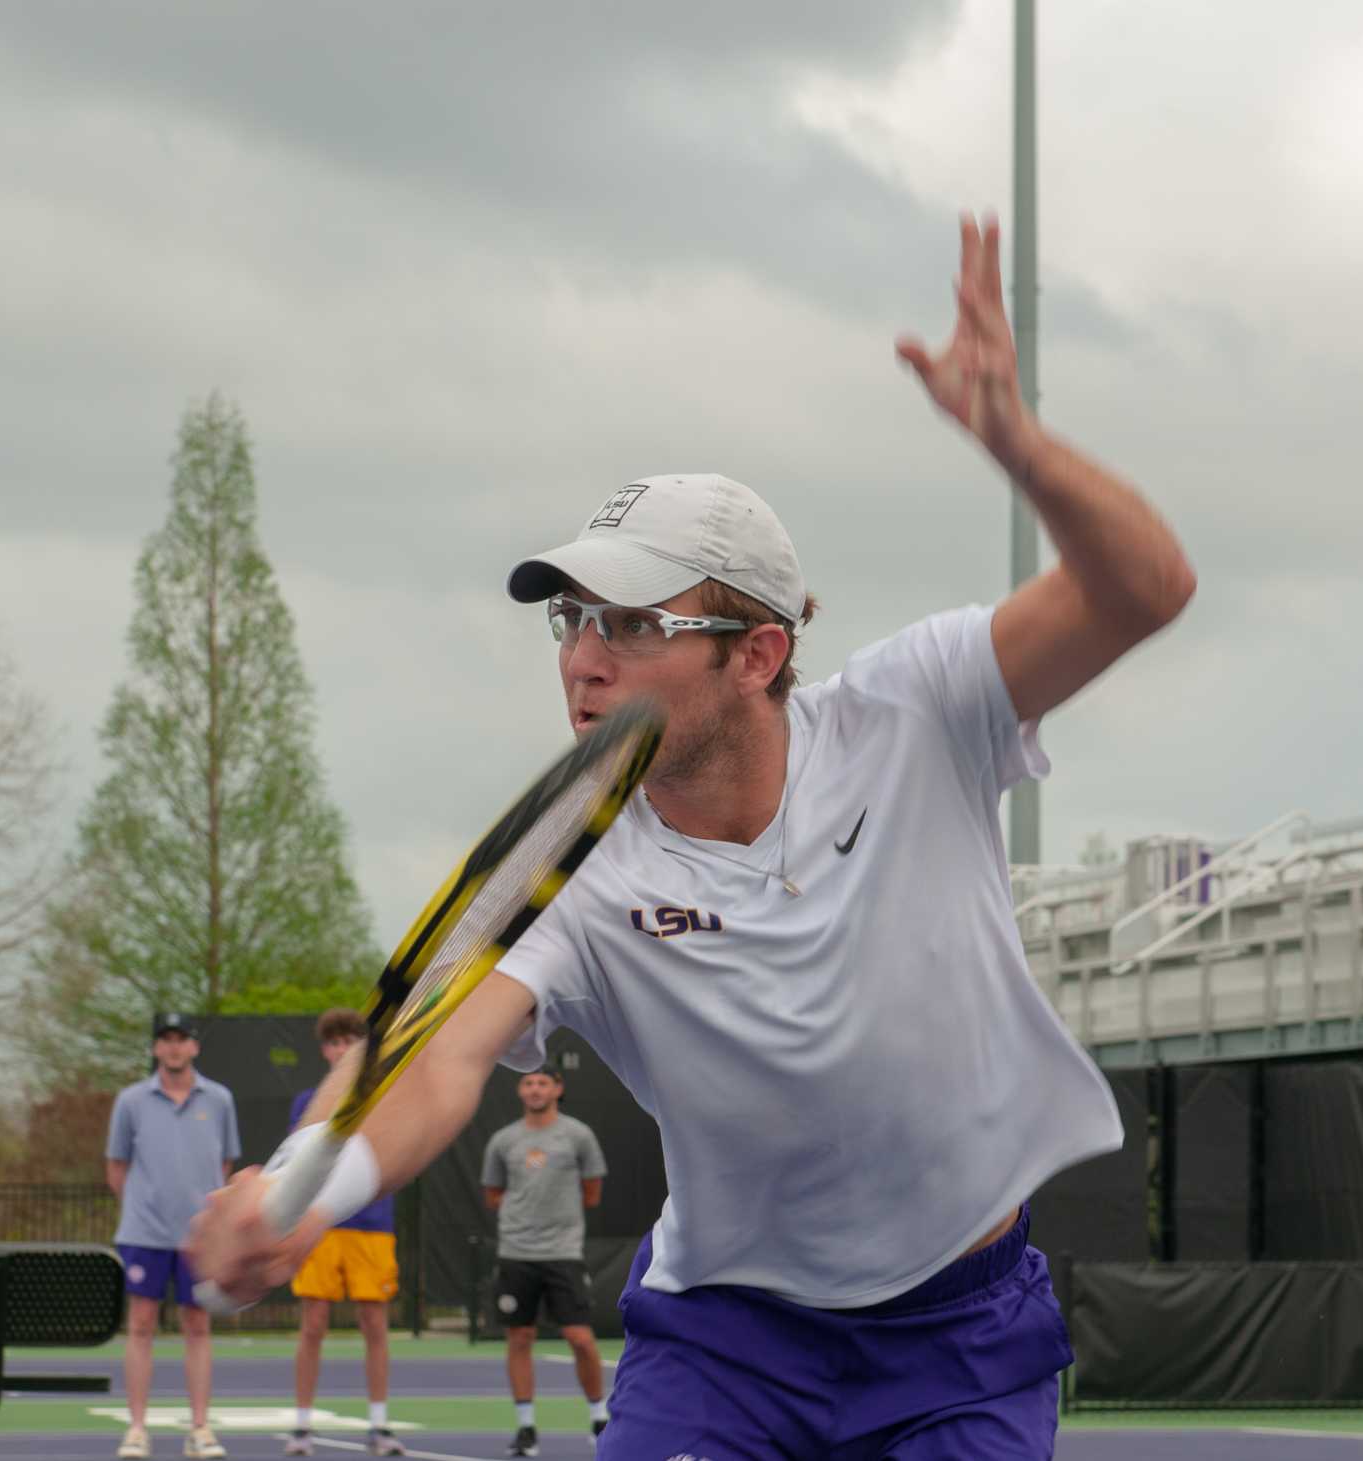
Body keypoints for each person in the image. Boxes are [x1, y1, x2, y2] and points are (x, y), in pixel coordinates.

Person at [192, 214, 1196, 1459]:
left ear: (756, 655)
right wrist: (304, 1185)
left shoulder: (918, 713)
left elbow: (1145, 587)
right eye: (567, 621)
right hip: (727, 1348)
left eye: (627, 622)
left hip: (962, 1338)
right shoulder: (565, 866)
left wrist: (1017, 442)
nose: (582, 659)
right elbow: (433, 1058)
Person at [107, 1012, 241, 1460]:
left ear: (195, 1047)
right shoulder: (131, 1101)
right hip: (144, 1233)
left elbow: (225, 1166)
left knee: (197, 1327)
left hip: (199, 1237)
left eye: (182, 1039)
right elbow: (117, 1166)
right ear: (154, 1049)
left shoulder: (219, 1099)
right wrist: (144, 1208)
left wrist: (203, 1213)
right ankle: (137, 1428)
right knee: (141, 1325)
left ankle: (200, 1428)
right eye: (165, 1040)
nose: (174, 1048)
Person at [286, 1009, 405, 1457]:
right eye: (333, 1042)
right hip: (319, 1229)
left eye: (348, 1041)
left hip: (372, 1227)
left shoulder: (386, 1095)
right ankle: (301, 1427)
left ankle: (379, 1425)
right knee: (312, 1324)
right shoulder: (308, 1102)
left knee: (374, 1324)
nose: (340, 1050)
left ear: (361, 1047)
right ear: (324, 1049)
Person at [480, 1064, 609, 1456]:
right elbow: (493, 1194)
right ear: (521, 1091)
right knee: (520, 1337)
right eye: (528, 1082)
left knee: (580, 1338)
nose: (535, 1089)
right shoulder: (504, 1140)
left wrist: (557, 1221)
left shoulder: (578, 1135)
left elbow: (592, 1193)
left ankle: (599, 1418)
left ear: (557, 1089)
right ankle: (526, 1429)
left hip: (563, 1252)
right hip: (516, 1252)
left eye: (542, 1082)